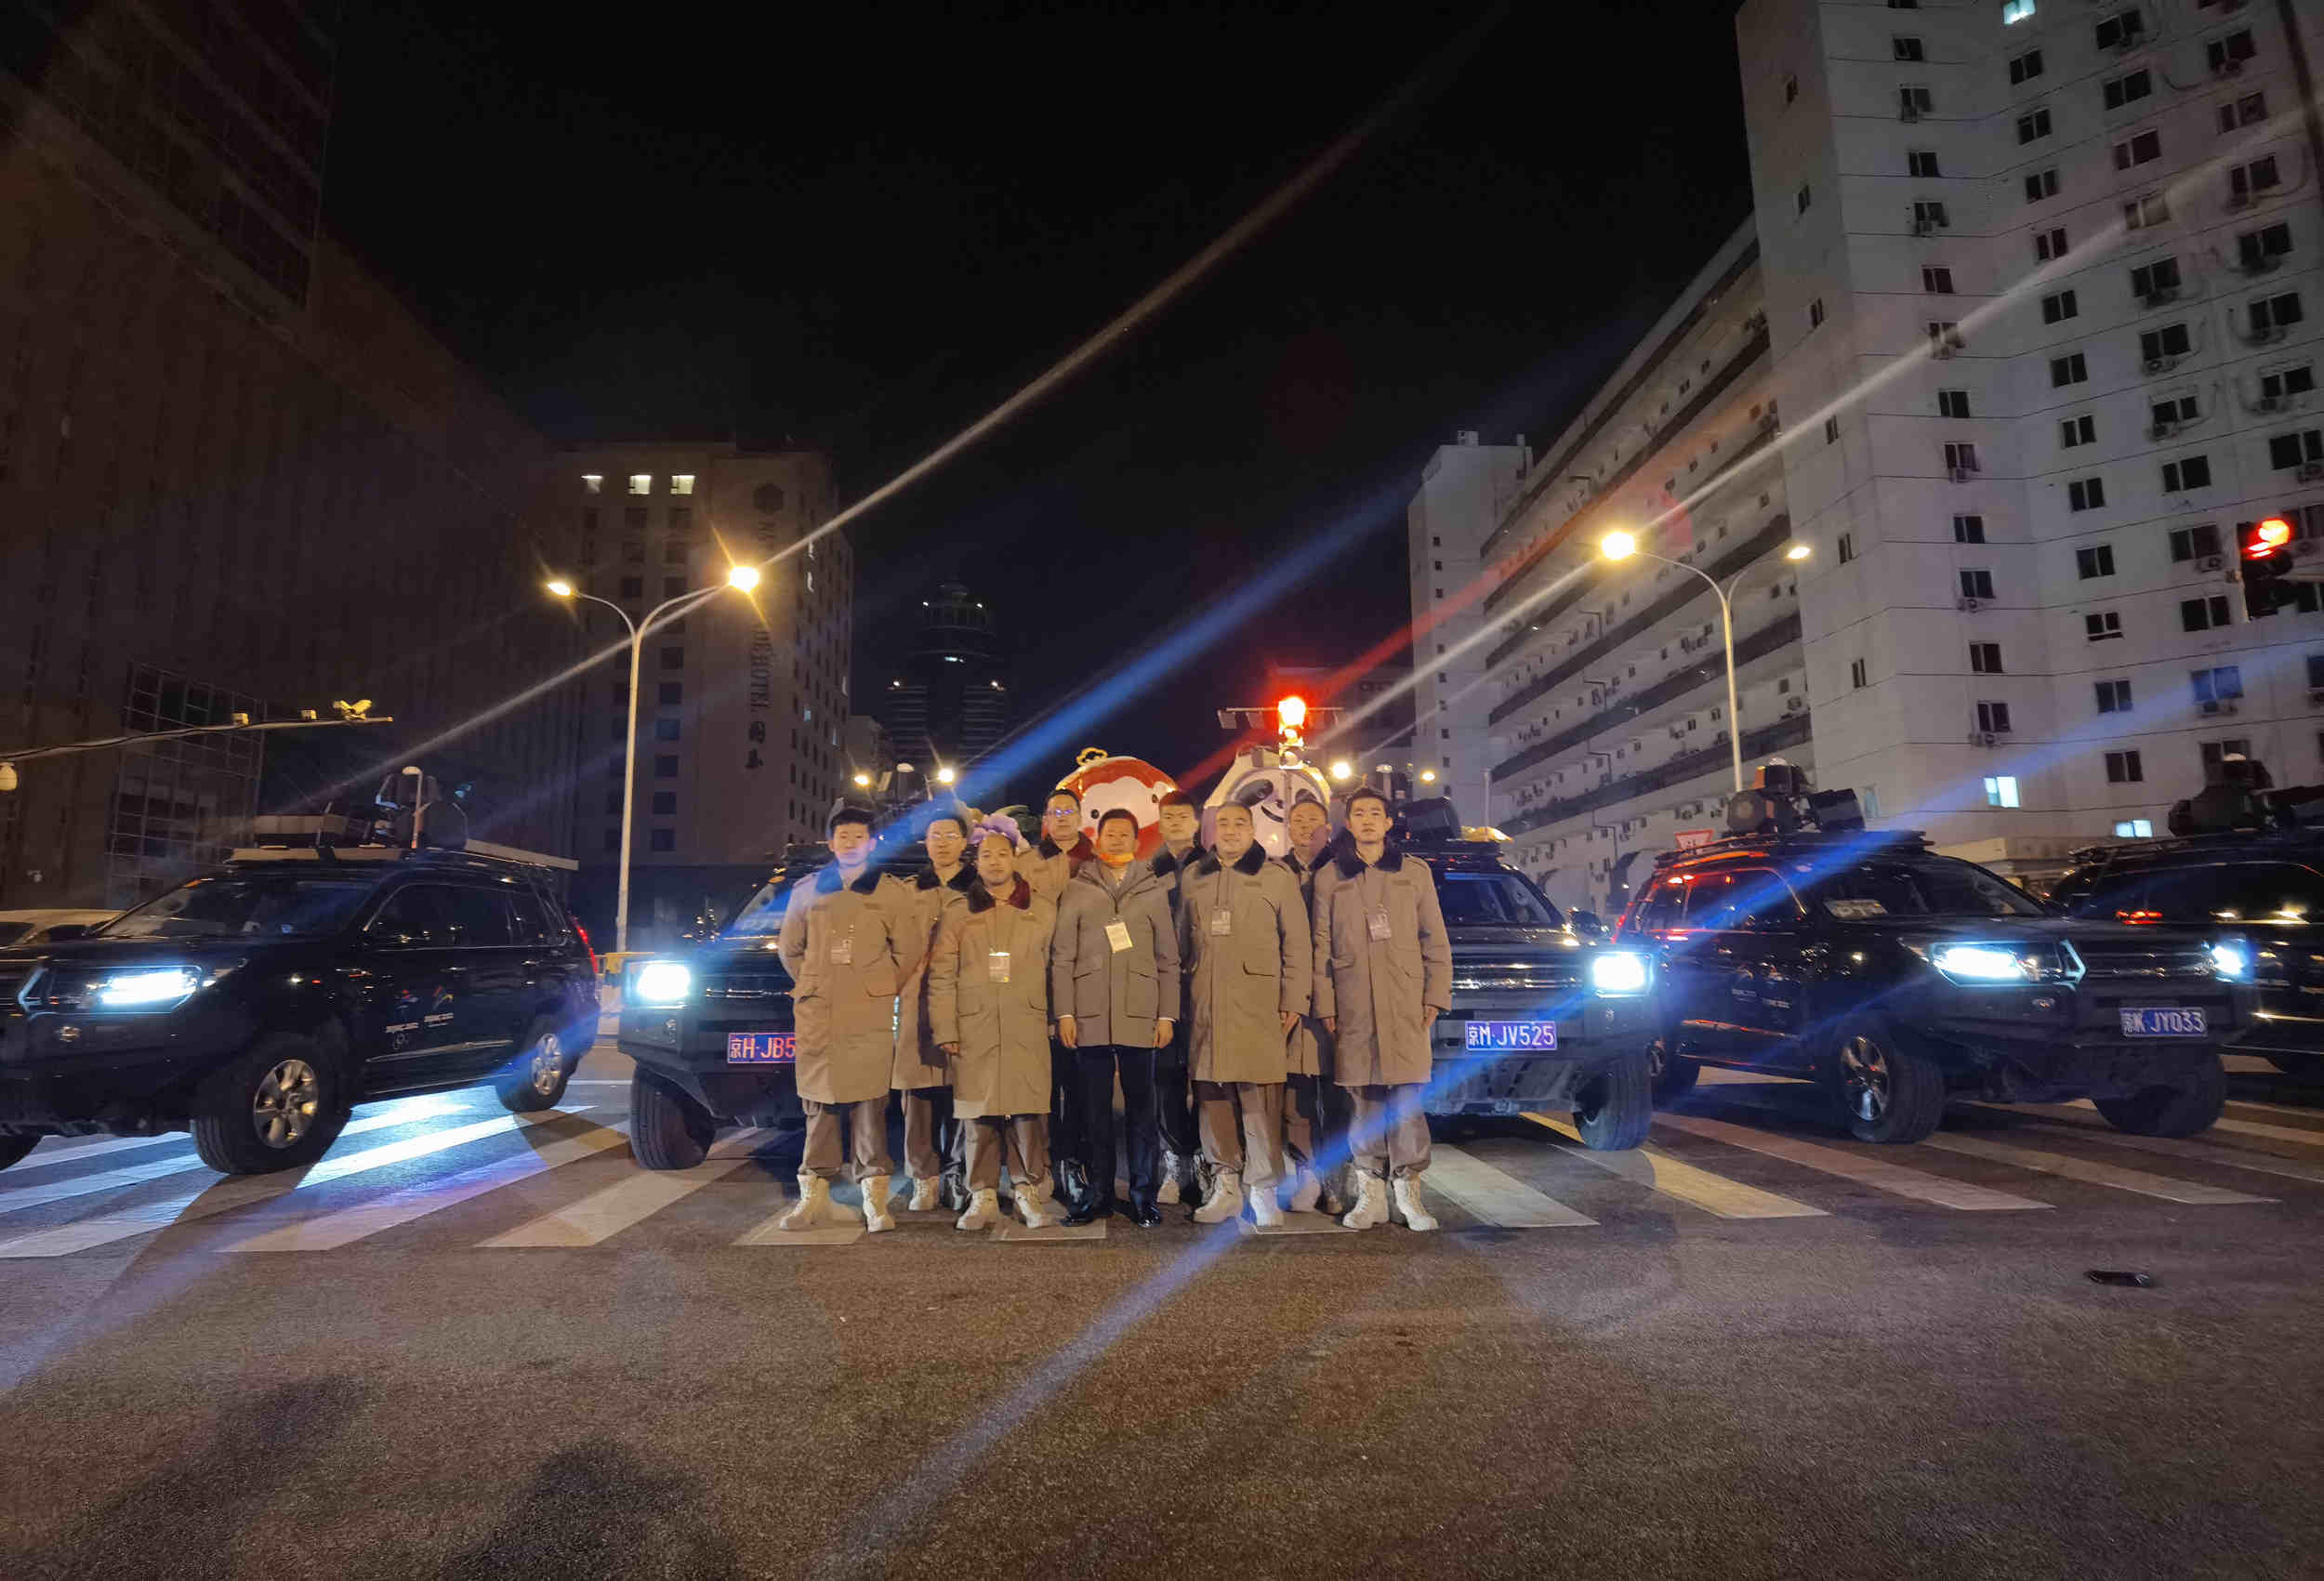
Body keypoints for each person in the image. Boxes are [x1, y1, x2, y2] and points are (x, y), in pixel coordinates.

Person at [1311, 787, 1452, 1232]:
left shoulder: (1414, 872)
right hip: (1353, 1002)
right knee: (1363, 1100)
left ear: (1389, 823)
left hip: (1406, 1000)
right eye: (1359, 814)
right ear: (1348, 823)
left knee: (1407, 1098)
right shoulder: (1330, 876)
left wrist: (1435, 995)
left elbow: (1435, 938)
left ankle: (1408, 1192)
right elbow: (1320, 946)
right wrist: (1326, 1002)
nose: (1368, 820)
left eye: (1376, 813)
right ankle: (1369, 1192)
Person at [1176, 799, 1310, 1228]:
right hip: (1207, 1004)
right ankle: (1226, 1185)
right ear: (1211, 832)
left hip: (1259, 1004)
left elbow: (1297, 945)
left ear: (1252, 831)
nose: (1230, 831)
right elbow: (1182, 946)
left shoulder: (1276, 878)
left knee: (1260, 1098)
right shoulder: (1194, 878)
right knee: (1212, 1096)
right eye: (1223, 824)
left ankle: (1264, 1188)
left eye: (1239, 824)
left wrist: (1293, 1000)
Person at [777, 804, 905, 1232]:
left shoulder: (890, 891)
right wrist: (814, 982)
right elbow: (790, 949)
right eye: (843, 837)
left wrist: (877, 985)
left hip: (868, 1010)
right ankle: (813, 1195)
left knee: (870, 1105)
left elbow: (907, 950)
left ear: (872, 843)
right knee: (820, 1104)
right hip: (821, 1011)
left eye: (858, 836)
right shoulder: (807, 890)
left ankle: (874, 1199)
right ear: (831, 844)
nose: (851, 843)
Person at [931, 815, 1063, 1230]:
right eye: (986, 855)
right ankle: (983, 1194)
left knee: (1027, 1113)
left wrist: (1059, 1017)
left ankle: (1027, 1191)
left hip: (1027, 1022)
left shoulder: (1042, 909)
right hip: (975, 1025)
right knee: (978, 1113)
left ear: (1014, 859)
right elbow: (942, 975)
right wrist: (945, 1028)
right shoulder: (958, 912)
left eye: (1002, 854)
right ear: (977, 861)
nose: (994, 861)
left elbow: (1057, 968)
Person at [1051, 807, 1181, 1226]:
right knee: (1095, 1112)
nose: (1117, 839)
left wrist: (1167, 1016)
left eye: (1125, 834)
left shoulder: (1152, 889)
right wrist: (1065, 1012)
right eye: (1110, 833)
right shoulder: (1078, 888)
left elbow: (1168, 959)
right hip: (1088, 1014)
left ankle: (1143, 1195)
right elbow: (1062, 957)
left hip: (1141, 1013)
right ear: (1098, 838)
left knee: (1143, 1112)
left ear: (1136, 841)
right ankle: (1098, 1194)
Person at [891, 805, 975, 1212]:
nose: (942, 843)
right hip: (914, 1002)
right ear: (925, 842)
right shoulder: (907, 891)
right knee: (918, 1094)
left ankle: (957, 1174)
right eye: (935, 836)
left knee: (964, 1092)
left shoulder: (978, 890)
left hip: (965, 999)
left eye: (950, 836)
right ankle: (923, 1176)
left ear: (965, 842)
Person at [1020, 787, 1098, 1212]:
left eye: (1070, 811)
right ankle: (1042, 1166)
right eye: (1055, 812)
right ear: (1045, 819)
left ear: (1081, 816)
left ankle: (1077, 1163)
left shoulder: (1099, 861)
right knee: (1041, 1086)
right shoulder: (1026, 864)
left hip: (1087, 986)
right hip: (1036, 985)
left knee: (1082, 1084)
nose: (1063, 818)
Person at [1279, 796, 1350, 1216]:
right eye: (1298, 820)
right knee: (1296, 1094)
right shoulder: (1275, 872)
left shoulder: (1344, 870)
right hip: (1291, 1000)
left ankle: (1336, 1176)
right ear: (1287, 828)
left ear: (1328, 828)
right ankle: (1305, 1171)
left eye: (1314, 821)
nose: (1306, 827)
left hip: (1337, 997)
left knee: (1339, 1093)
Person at [1145, 788, 1206, 1204]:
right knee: (1166, 1076)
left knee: (1206, 1077)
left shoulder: (1213, 865)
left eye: (1184, 816)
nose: (1177, 823)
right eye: (1169, 817)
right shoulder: (1148, 869)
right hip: (1162, 985)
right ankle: (1174, 1160)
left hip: (1206, 984)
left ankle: (1204, 1158)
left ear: (1197, 822)